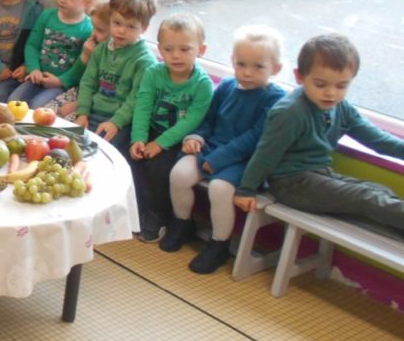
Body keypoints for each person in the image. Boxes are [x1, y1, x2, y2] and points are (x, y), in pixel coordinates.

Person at [238, 34, 404, 237]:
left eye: (341, 86)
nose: (331, 94)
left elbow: (378, 140)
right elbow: (266, 154)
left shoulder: (341, 107)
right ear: (300, 77)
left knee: (378, 190)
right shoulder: (289, 112)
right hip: (290, 184)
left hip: (319, 174)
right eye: (320, 84)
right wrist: (246, 190)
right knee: (367, 197)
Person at [163, 26, 286, 273]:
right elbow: (209, 120)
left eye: (258, 66)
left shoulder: (274, 98)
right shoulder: (228, 86)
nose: (248, 72)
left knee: (219, 189)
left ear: (275, 68)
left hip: (242, 159)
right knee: (179, 175)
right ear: (232, 62)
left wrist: (218, 159)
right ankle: (182, 224)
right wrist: (196, 137)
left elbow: (254, 138)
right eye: (241, 64)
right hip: (211, 148)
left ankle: (219, 244)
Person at [128, 14, 214, 243]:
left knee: (159, 168)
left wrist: (160, 144)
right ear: (160, 50)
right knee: (129, 157)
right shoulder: (153, 73)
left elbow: (192, 121)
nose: (176, 56)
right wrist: (138, 138)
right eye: (169, 49)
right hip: (152, 129)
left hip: (179, 139)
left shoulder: (203, 85)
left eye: (185, 49)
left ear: (201, 50)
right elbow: (143, 107)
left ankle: (159, 215)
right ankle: (137, 208)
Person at [74, 0, 158, 147]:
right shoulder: (101, 50)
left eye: (131, 26)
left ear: (144, 28)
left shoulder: (145, 61)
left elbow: (137, 100)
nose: (121, 31)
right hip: (92, 112)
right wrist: (82, 112)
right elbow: (88, 82)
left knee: (99, 150)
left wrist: (116, 122)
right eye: (117, 23)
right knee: (65, 141)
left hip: (121, 120)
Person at [10, 0, 102, 108]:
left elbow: (83, 64)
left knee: (37, 107)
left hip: (61, 84)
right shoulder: (48, 15)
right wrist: (33, 68)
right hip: (37, 76)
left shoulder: (88, 29)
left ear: (88, 1)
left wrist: (61, 81)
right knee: (13, 102)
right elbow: (32, 45)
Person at [43, 0, 111, 120]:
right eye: (93, 27)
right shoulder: (96, 46)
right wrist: (85, 55)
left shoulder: (113, 56)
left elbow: (103, 93)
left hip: (92, 101)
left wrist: (77, 105)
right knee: (46, 114)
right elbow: (81, 79)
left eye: (100, 30)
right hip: (80, 91)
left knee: (64, 126)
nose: (93, 34)